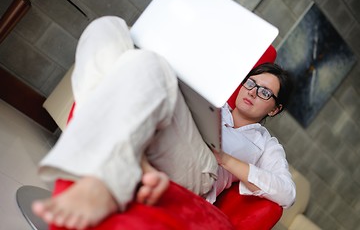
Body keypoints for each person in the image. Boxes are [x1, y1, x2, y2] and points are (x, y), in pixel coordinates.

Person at [32, 16, 296, 230]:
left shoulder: (266, 145)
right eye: (251, 83)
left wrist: (225, 159)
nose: (251, 92)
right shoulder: (213, 103)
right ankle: (124, 163)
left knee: (149, 65)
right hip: (165, 130)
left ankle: (100, 173)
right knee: (108, 29)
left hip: (202, 170)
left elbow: (286, 193)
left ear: (275, 109)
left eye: (264, 92)